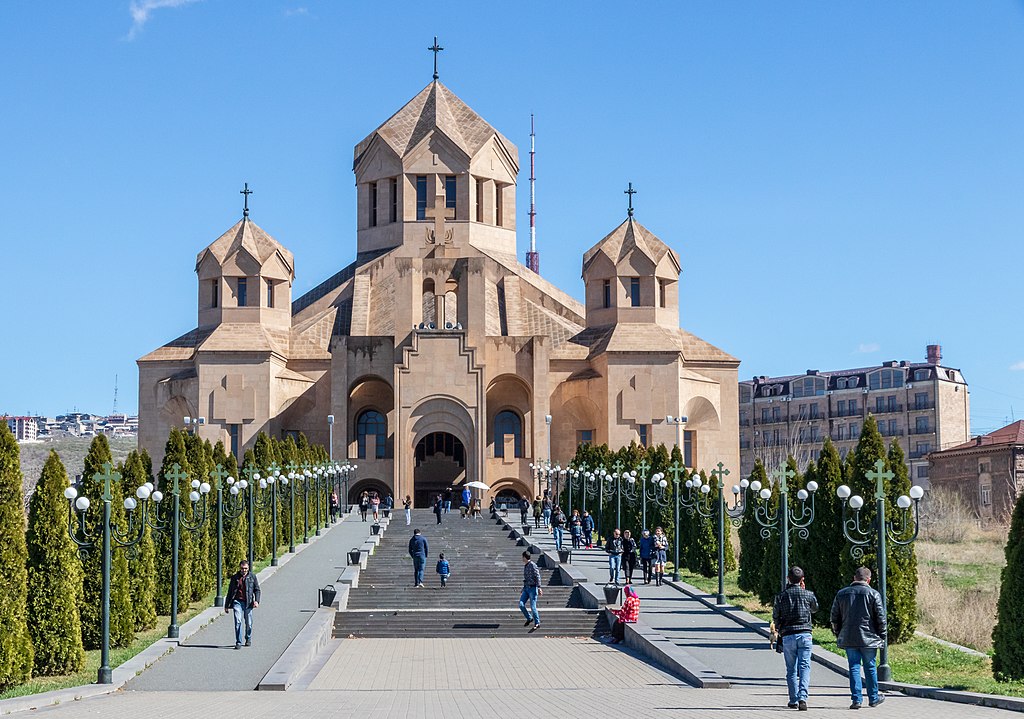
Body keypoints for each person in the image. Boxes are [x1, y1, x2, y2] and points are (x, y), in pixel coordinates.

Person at [831, 566, 887, 710]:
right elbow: (880, 617)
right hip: (869, 637)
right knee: (870, 667)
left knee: (854, 667)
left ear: (854, 578)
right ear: (868, 580)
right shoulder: (873, 594)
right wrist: (882, 635)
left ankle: (856, 699)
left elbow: (834, 617)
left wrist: (839, 633)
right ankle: (873, 698)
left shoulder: (842, 594)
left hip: (849, 637)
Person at [773, 566, 818, 711]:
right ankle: (803, 697)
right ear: (802, 580)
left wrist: (779, 628)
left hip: (788, 635)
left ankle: (793, 699)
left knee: (791, 669)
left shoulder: (781, 596)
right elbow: (815, 608)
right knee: (804, 666)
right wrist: (804, 591)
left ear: (788, 579)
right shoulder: (808, 594)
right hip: (805, 633)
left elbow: (776, 616)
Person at [224, 560, 260, 650]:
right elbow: (230, 592)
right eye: (242, 569)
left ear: (248, 568)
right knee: (238, 621)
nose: (244, 570)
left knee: (249, 623)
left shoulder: (252, 577)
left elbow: (257, 590)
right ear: (240, 568)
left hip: (248, 603)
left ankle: (248, 638)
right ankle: (238, 642)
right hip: (237, 602)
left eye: (246, 569)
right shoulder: (235, 578)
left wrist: (257, 601)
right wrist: (227, 605)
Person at [519, 550, 543, 631]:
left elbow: (537, 576)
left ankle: (537, 622)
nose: (522, 559)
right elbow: (526, 579)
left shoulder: (532, 565)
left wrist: (539, 587)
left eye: (522, 557)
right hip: (526, 588)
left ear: (525, 557)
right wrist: (523, 588)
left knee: (533, 607)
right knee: (521, 604)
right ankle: (529, 618)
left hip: (533, 588)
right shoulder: (525, 565)